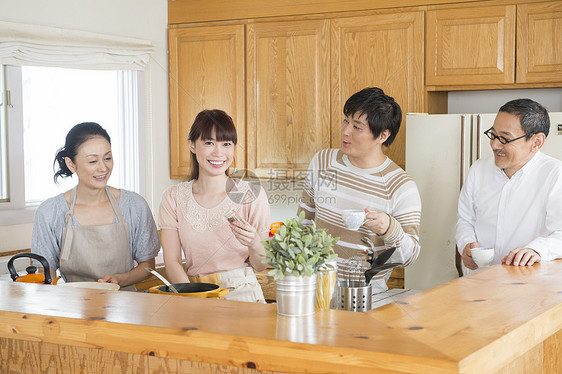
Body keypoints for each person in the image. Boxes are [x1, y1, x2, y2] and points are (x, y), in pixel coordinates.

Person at [298, 87, 422, 293]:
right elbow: (304, 223)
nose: (345, 131)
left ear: (383, 135)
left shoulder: (401, 186)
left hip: (366, 298)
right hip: (314, 293)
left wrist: (389, 228)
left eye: (357, 126)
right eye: (346, 121)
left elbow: (410, 257)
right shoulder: (323, 162)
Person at [32, 122, 160, 290]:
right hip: (73, 308)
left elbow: (148, 266)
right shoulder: (50, 212)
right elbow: (46, 272)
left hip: (127, 308)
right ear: (71, 164)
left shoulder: (134, 205)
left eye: (107, 158)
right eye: (92, 161)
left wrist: (122, 279)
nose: (103, 168)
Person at [158, 109, 270, 302]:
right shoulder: (174, 197)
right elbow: (173, 261)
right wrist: (192, 296)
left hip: (242, 293)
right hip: (194, 292)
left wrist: (254, 243)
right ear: (192, 145)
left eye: (226, 144)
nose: (218, 153)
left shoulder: (250, 194)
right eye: (209, 143)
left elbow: (260, 265)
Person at [456, 98, 562, 270]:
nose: (494, 144)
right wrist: (466, 244)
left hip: (529, 285)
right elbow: (465, 220)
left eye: (504, 139)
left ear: (536, 142)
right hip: (479, 282)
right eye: (493, 134)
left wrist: (536, 249)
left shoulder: (555, 174)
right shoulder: (478, 169)